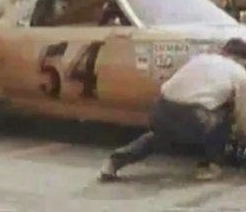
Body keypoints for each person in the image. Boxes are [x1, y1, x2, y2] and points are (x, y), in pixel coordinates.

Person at [98, 38, 246, 182]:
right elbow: (242, 115)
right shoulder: (239, 73)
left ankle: (113, 163)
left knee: (159, 137)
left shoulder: (199, 59)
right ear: (242, 59)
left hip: (160, 109)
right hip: (192, 118)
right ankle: (211, 165)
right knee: (224, 115)